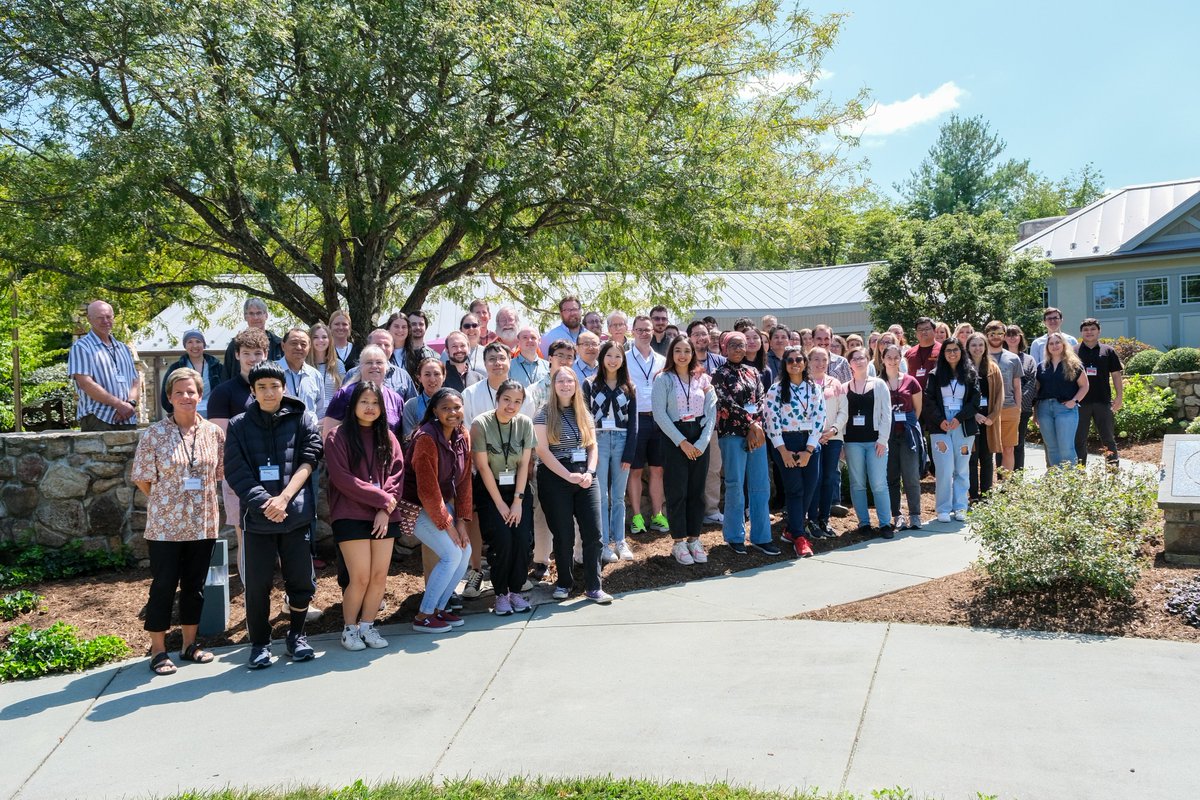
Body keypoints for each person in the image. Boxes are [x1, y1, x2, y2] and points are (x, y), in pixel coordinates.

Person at [224, 362, 323, 668]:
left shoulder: (303, 418)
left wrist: (284, 499)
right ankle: (260, 643)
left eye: (274, 386)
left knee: (301, 582)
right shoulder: (238, 425)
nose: (269, 392)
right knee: (257, 586)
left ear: (284, 388)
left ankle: (296, 636)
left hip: (295, 515)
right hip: (257, 520)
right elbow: (235, 471)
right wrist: (266, 502)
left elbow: (310, 459)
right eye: (262, 387)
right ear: (252, 391)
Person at [131, 369, 225, 675]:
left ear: (200, 395)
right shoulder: (155, 435)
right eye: (179, 392)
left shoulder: (213, 433)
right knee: (163, 586)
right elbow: (143, 480)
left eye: (192, 392)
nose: (186, 397)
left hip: (203, 524)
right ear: (169, 397)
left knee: (195, 587)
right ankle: (158, 651)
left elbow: (217, 474)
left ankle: (189, 645)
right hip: (165, 527)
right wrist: (167, 501)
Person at [325, 381, 405, 651]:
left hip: (385, 516)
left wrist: (385, 509)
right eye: (364, 402)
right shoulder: (338, 436)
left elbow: (396, 474)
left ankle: (368, 626)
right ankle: (349, 629)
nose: (370, 408)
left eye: (375, 403)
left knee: (379, 576)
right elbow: (342, 479)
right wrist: (382, 500)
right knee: (359, 576)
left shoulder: (389, 437)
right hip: (350, 514)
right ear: (353, 405)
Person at [534, 367, 613, 602]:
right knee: (563, 534)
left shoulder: (584, 413)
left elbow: (592, 446)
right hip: (555, 477)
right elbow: (542, 451)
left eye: (570, 380)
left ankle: (593, 586)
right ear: (553, 384)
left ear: (576, 384)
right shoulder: (543, 413)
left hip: (585, 477)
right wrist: (567, 476)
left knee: (594, 534)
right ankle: (564, 583)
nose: (565, 384)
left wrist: (590, 472)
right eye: (561, 380)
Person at [405, 388, 474, 631]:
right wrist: (447, 525)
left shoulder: (462, 434)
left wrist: (462, 523)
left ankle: (439, 609)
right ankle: (424, 615)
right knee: (451, 553)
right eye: (446, 408)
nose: (453, 412)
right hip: (414, 506)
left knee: (465, 551)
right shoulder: (426, 438)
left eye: (457, 407)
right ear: (434, 411)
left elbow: (465, 481)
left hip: (440, 505)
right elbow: (427, 490)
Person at [207, 328, 267, 584]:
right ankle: (249, 590)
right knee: (245, 534)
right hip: (238, 474)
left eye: (257, 353)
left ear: (266, 354)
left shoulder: (273, 388)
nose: (252, 359)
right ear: (237, 355)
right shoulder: (224, 392)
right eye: (246, 353)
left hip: (271, 471)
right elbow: (221, 437)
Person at [472, 380, 536, 615]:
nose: (511, 405)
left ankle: (515, 592)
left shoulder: (525, 424)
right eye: (507, 399)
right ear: (497, 398)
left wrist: (517, 502)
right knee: (502, 541)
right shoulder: (481, 424)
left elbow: (524, 465)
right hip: (491, 490)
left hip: (518, 489)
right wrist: (500, 504)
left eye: (517, 401)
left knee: (521, 540)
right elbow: (483, 467)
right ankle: (500, 594)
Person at [652, 335, 718, 565]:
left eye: (687, 351)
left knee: (697, 492)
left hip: (699, 437)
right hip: (674, 439)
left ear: (693, 354)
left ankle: (694, 539)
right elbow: (660, 414)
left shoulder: (703, 379)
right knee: (677, 491)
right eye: (678, 350)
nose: (683, 355)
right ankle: (678, 541)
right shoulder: (663, 379)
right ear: (672, 353)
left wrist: (700, 443)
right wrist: (682, 442)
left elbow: (711, 414)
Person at [713, 332, 778, 555]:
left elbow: (762, 400)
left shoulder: (753, 372)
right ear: (724, 348)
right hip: (732, 434)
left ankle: (762, 536)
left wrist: (755, 427)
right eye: (733, 345)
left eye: (742, 345)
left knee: (760, 485)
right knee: (735, 485)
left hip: (756, 434)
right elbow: (726, 403)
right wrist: (751, 424)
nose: (739, 349)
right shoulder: (719, 374)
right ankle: (735, 536)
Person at [764, 346, 827, 556]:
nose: (795, 363)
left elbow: (820, 418)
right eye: (790, 360)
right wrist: (783, 451)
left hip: (810, 442)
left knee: (809, 488)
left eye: (799, 359)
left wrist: (809, 450)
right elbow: (771, 421)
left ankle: (791, 529)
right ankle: (799, 536)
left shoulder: (813, 388)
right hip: (786, 442)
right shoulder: (775, 389)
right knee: (795, 490)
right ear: (784, 364)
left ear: (805, 362)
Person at [585, 341, 639, 562]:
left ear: (623, 360)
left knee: (618, 496)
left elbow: (634, 423)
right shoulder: (589, 384)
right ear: (602, 358)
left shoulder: (629, 387)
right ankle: (604, 544)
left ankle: (620, 541)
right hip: (598, 441)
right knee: (602, 496)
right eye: (609, 355)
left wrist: (629, 453)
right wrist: (589, 448)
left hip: (621, 439)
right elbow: (586, 419)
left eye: (618, 356)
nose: (613, 360)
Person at [926, 339, 980, 522]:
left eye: (955, 350)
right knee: (944, 468)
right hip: (940, 426)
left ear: (961, 352)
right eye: (948, 350)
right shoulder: (934, 375)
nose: (952, 353)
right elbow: (929, 400)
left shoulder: (971, 374)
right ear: (943, 353)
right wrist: (940, 420)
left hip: (963, 425)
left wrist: (959, 418)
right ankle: (943, 508)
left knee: (962, 468)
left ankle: (960, 506)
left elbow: (975, 402)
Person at [842, 347, 894, 538]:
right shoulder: (844, 387)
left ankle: (885, 523)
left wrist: (883, 439)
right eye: (854, 359)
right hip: (852, 442)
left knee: (879, 483)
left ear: (868, 360)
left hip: (875, 442)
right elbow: (841, 416)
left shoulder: (879, 384)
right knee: (857, 484)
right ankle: (863, 523)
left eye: (862, 358)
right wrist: (840, 443)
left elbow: (887, 414)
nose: (859, 361)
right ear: (850, 364)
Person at [68, 300, 142, 431]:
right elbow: (85, 384)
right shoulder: (81, 347)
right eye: (100, 318)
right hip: (98, 417)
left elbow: (135, 381)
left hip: (127, 417)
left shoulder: (123, 348)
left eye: (108, 317)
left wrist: (130, 404)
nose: (105, 321)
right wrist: (118, 405)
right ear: (90, 319)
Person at [626, 316, 669, 534]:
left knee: (657, 470)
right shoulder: (623, 359)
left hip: (659, 419)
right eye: (640, 329)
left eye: (648, 330)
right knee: (634, 471)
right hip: (635, 420)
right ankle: (636, 517)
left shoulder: (662, 360)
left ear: (653, 332)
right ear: (632, 332)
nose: (644, 333)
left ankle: (658, 515)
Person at [880, 344, 924, 530]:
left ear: (900, 359)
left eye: (895, 357)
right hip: (886, 435)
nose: (892, 360)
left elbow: (918, 409)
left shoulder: (911, 381)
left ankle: (915, 515)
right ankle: (897, 514)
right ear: (882, 359)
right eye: (888, 357)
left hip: (907, 433)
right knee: (891, 476)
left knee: (911, 475)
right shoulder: (878, 382)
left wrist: (909, 424)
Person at [806, 347, 847, 539]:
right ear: (809, 360)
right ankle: (811, 519)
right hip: (811, 439)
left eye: (824, 359)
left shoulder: (835, 383)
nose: (820, 363)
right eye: (816, 359)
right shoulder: (803, 383)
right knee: (816, 478)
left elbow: (843, 411)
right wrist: (816, 434)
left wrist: (833, 431)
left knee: (829, 478)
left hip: (833, 438)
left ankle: (824, 519)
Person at [689, 320, 727, 524]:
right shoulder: (684, 360)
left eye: (704, 334)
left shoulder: (720, 361)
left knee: (713, 467)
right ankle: (692, 510)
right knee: (690, 469)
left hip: (714, 422)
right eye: (696, 334)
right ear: (689, 338)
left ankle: (711, 510)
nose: (701, 337)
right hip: (688, 423)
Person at [323, 345, 406, 439]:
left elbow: (400, 437)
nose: (374, 366)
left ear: (386, 367)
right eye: (369, 362)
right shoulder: (344, 394)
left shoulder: (396, 399)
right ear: (360, 367)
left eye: (379, 362)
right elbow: (328, 435)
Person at [1035, 332, 1090, 468]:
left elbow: (1085, 386)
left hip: (1065, 409)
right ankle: (1057, 483)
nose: (1054, 346)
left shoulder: (1074, 365)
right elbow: (1037, 391)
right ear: (1047, 347)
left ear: (1064, 345)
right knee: (1052, 448)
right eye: (1051, 343)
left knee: (1066, 448)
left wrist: (1075, 401)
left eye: (1057, 343)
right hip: (1044, 409)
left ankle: (1070, 483)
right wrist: (1035, 413)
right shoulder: (1041, 366)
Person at [1074, 318, 1124, 466]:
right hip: (1080, 403)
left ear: (1099, 331)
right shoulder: (1073, 351)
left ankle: (1113, 472)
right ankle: (1079, 474)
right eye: (1086, 329)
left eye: (1092, 329)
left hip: (1103, 402)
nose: (1089, 332)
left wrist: (1119, 397)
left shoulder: (1108, 351)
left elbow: (1116, 375)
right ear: (1081, 332)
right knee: (1079, 439)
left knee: (1108, 438)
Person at [965, 332, 1002, 501]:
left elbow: (1000, 395)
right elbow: (960, 397)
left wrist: (992, 417)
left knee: (987, 458)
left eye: (980, 345)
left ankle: (986, 495)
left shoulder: (993, 368)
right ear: (968, 347)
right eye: (973, 345)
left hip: (988, 421)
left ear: (985, 347)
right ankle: (973, 496)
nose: (977, 348)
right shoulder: (963, 369)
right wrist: (973, 415)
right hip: (970, 419)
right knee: (971, 458)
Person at [984, 320, 1022, 474]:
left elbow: (1017, 386)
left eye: (999, 333)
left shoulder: (1013, 358)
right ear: (987, 336)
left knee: (1008, 449)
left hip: (1009, 408)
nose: (996, 337)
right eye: (992, 334)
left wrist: (1017, 407)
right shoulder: (980, 357)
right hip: (986, 410)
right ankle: (988, 486)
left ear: (1004, 336)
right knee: (986, 451)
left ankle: (1007, 487)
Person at [161, 329, 223, 419]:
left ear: (204, 344)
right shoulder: (176, 368)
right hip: (185, 416)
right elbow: (165, 395)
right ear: (185, 346)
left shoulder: (218, 368)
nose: (194, 346)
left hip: (214, 416)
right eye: (190, 342)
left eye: (198, 341)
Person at [345, 329, 417, 401]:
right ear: (368, 347)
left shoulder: (403, 376)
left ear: (392, 349)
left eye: (387, 345)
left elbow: (413, 408)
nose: (382, 348)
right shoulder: (352, 374)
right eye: (378, 344)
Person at [1002, 324, 1037, 471]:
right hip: (1002, 408)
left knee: (1018, 444)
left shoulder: (1028, 360)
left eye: (1015, 334)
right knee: (1002, 445)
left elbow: (1031, 383)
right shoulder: (998, 357)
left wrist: (1018, 404)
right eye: (1008, 334)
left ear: (1020, 337)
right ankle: (1003, 478)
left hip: (1021, 409)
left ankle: (1017, 479)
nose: (1012, 337)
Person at [222, 298, 284, 375]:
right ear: (245, 317)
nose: (255, 318)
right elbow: (226, 375)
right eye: (251, 313)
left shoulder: (278, 344)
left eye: (259, 313)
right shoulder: (235, 345)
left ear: (266, 315)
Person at [276, 328, 324, 418]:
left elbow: (319, 410)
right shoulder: (272, 371)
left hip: (309, 429)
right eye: (294, 343)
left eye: (303, 344)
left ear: (309, 347)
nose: (298, 347)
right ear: (283, 346)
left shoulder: (315, 375)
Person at [404, 357, 446, 437]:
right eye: (427, 375)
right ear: (419, 377)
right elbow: (407, 439)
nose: (432, 379)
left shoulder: (453, 402)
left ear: (444, 376)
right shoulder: (411, 405)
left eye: (437, 374)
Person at [308, 322, 343, 412]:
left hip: (332, 417)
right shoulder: (303, 365)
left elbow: (343, 395)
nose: (320, 340)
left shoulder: (338, 365)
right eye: (315, 337)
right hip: (308, 418)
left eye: (324, 337)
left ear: (329, 340)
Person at [904, 317, 941, 391]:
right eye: (920, 329)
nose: (923, 332)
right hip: (914, 396)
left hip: (936, 396)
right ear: (916, 333)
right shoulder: (909, 353)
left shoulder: (943, 350)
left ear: (934, 331)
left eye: (927, 329)